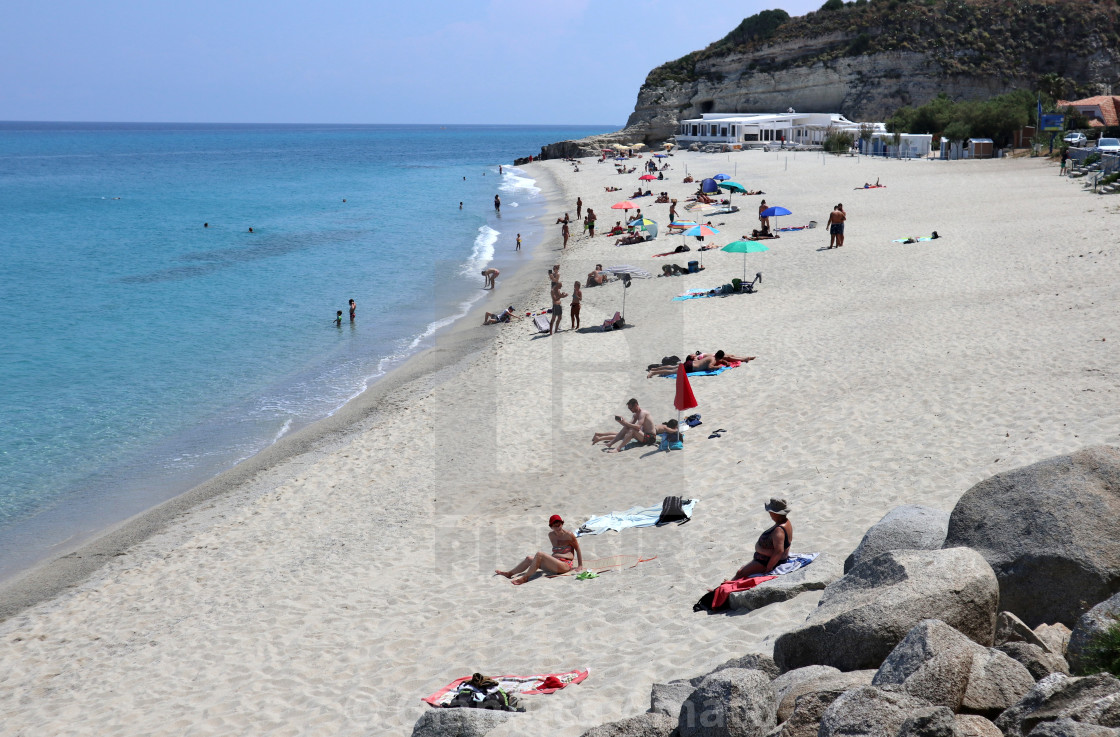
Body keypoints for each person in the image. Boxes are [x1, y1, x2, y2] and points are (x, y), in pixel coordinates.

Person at [495, 515, 582, 585]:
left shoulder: (569, 535)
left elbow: (577, 550)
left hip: (565, 565)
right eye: (555, 526)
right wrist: (555, 556)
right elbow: (557, 551)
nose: (558, 528)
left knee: (540, 554)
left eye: (559, 525)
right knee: (529, 558)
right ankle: (509, 574)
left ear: (562, 524)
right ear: (551, 527)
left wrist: (580, 565)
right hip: (555, 564)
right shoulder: (551, 535)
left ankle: (525, 578)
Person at [731, 499, 793, 578]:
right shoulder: (786, 522)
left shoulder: (779, 530)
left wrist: (769, 568)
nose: (769, 513)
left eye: (770, 512)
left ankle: (720, 590)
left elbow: (779, 551)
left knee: (740, 573)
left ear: (775, 514)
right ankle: (720, 588)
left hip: (766, 562)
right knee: (742, 570)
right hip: (765, 559)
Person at [590, 398, 655, 451]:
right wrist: (621, 422)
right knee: (627, 428)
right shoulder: (635, 415)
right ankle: (611, 443)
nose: (630, 410)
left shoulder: (642, 413)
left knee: (632, 429)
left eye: (631, 408)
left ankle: (618, 448)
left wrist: (625, 422)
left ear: (636, 405)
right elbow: (628, 426)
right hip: (643, 435)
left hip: (650, 438)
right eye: (629, 409)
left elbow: (638, 427)